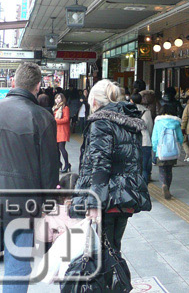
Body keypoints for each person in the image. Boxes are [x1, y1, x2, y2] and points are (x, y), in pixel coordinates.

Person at [0, 62, 59, 293]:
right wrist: (46, 205)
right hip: (22, 204)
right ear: (38, 86)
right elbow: (49, 168)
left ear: (13, 82)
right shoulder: (42, 118)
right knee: (17, 266)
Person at [70, 79, 151, 254]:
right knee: (114, 249)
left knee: (101, 254)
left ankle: (114, 281)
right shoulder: (129, 121)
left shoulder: (101, 122)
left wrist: (94, 203)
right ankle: (117, 280)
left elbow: (101, 164)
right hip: (125, 197)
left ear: (94, 101)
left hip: (106, 199)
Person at [151, 103, 183, 199]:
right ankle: (168, 187)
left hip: (161, 150)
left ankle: (163, 184)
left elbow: (154, 138)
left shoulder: (158, 122)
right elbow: (180, 138)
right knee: (169, 169)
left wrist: (155, 149)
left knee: (162, 169)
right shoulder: (176, 123)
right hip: (172, 150)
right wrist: (178, 147)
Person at [138, 90, 157, 183]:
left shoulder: (127, 109)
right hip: (145, 139)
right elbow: (150, 126)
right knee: (146, 163)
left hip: (134, 141)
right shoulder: (147, 111)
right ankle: (146, 180)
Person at [53, 93, 71, 173]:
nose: (57, 100)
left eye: (59, 98)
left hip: (63, 130)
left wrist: (55, 121)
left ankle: (67, 164)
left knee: (61, 147)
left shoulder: (65, 108)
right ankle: (58, 164)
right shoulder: (55, 108)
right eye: (56, 98)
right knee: (56, 149)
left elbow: (66, 119)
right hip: (57, 130)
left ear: (62, 99)